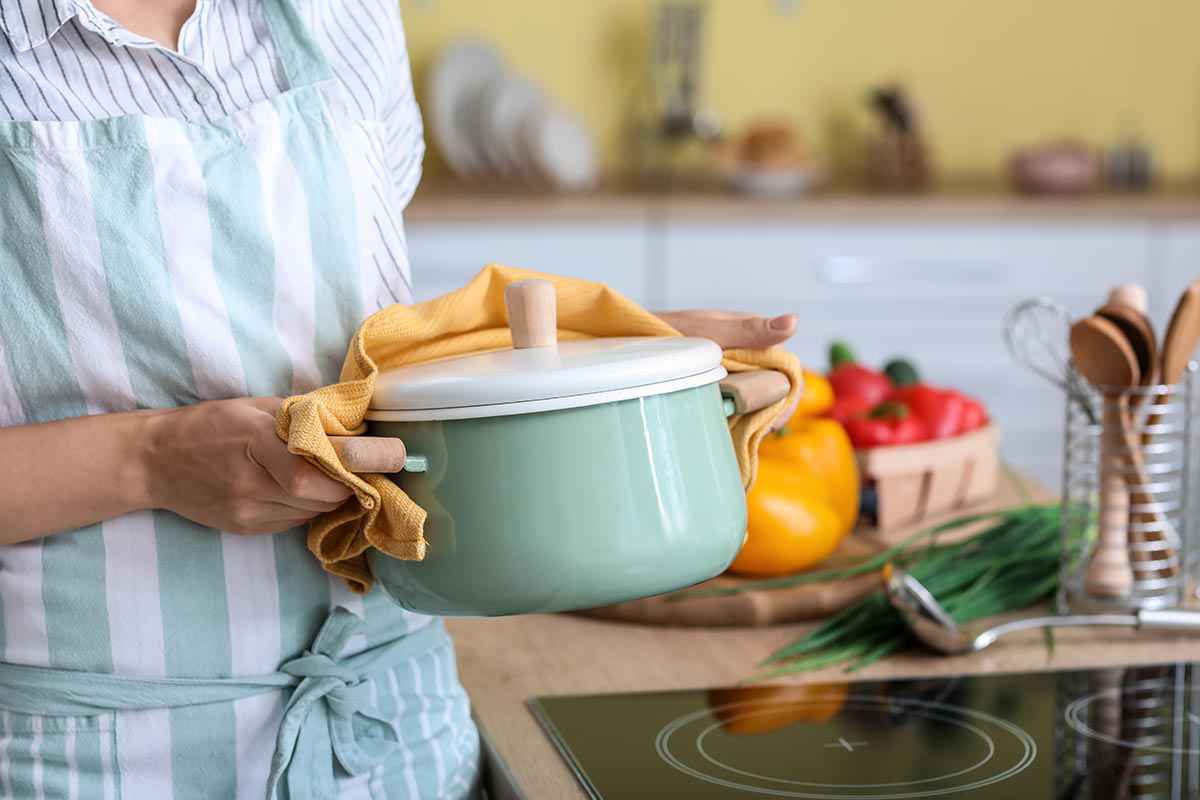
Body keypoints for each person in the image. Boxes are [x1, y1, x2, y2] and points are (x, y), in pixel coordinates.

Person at [0, 0, 799, 796]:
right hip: (95, 757)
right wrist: (151, 463)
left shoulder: (343, 13)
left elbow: (343, 345)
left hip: (391, 732)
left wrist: (615, 367)